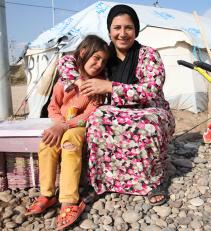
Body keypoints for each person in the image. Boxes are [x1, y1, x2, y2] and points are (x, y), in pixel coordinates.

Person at [66, 4, 175, 205]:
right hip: (117, 112)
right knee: (98, 118)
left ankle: (152, 182)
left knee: (148, 123)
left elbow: (151, 90)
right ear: (109, 30)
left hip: (150, 110)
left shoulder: (148, 55)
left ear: (136, 30)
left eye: (128, 28)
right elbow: (66, 61)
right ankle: (101, 181)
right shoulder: (104, 55)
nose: (122, 33)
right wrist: (79, 81)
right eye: (117, 28)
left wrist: (109, 87)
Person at [25, 34, 109, 230]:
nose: (99, 64)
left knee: (69, 142)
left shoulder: (97, 87)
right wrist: (59, 123)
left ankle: (69, 200)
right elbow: (53, 106)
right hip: (62, 123)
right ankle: (47, 194)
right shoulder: (64, 82)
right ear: (82, 53)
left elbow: (90, 113)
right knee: (47, 142)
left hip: (78, 127)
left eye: (103, 61)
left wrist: (66, 126)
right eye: (96, 58)